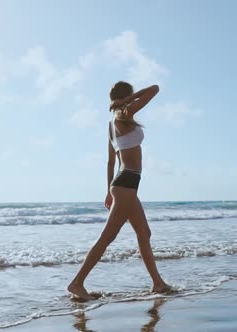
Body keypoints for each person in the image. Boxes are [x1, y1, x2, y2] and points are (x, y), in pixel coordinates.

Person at [68, 81, 171, 300]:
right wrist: (127, 101)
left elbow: (110, 162)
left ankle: (158, 284)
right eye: (131, 96)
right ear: (126, 97)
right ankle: (77, 283)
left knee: (144, 233)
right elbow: (155, 89)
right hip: (125, 184)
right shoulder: (124, 113)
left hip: (124, 185)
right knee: (107, 237)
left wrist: (108, 191)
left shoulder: (113, 125)